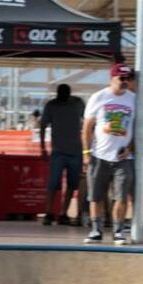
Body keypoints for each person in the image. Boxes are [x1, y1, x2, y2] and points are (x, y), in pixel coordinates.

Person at [83, 63, 136, 244]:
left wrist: (130, 147)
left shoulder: (133, 99)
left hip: (123, 157)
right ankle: (96, 230)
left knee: (121, 196)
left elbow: (137, 127)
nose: (125, 81)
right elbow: (87, 127)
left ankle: (118, 231)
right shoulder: (98, 97)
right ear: (112, 78)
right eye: (121, 78)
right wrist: (86, 152)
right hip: (99, 155)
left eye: (128, 78)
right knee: (96, 195)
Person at [40, 84, 85, 226]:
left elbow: (88, 120)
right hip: (58, 151)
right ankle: (49, 212)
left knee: (72, 184)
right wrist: (42, 148)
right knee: (54, 183)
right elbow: (42, 126)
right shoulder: (51, 105)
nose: (62, 96)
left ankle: (63, 213)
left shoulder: (78, 103)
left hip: (75, 151)